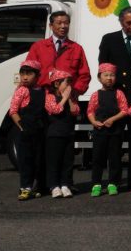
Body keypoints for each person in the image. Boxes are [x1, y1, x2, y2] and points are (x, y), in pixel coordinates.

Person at [87, 63, 129, 197]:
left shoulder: (119, 93)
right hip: (99, 131)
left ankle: (113, 184)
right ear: (99, 78)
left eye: (112, 75)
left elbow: (125, 110)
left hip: (115, 131)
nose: (109, 78)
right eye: (106, 75)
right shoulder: (95, 95)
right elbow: (90, 111)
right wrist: (94, 122)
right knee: (97, 158)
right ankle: (96, 184)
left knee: (115, 158)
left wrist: (113, 119)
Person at [26, 10, 91, 97]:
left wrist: (74, 92)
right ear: (51, 26)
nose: (63, 26)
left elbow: (85, 75)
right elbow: (28, 71)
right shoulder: (38, 47)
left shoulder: (76, 48)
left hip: (67, 98)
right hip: (42, 95)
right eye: (59, 23)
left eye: (66, 23)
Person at [8, 60, 46, 201]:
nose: (25, 77)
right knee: (25, 160)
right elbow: (13, 111)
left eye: (29, 74)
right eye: (22, 74)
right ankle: (25, 187)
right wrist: (21, 127)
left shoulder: (43, 90)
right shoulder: (22, 91)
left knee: (39, 160)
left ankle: (38, 187)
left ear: (37, 75)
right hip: (25, 131)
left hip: (39, 130)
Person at [44, 69, 79, 199]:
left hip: (68, 133)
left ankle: (65, 184)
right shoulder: (50, 97)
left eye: (70, 82)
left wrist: (69, 98)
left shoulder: (71, 97)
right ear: (56, 84)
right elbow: (55, 110)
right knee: (54, 161)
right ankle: (54, 186)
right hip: (55, 134)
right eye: (66, 82)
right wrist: (64, 98)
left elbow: (75, 111)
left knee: (67, 161)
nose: (69, 85)